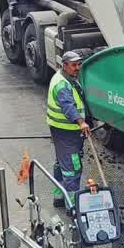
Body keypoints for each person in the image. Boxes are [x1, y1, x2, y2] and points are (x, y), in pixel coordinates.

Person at [46, 50, 90, 208]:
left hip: (62, 130)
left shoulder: (65, 78)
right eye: (73, 65)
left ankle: (59, 196)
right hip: (66, 132)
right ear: (64, 65)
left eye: (79, 64)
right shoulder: (63, 85)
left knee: (61, 163)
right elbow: (68, 107)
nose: (77, 68)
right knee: (72, 167)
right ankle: (72, 206)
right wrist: (81, 122)